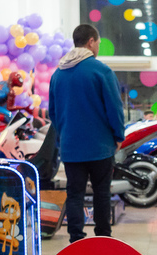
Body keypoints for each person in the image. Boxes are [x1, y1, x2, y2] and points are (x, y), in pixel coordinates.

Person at [50, 23, 126, 243]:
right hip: (100, 146)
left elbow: (53, 113)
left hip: (71, 148)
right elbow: (114, 108)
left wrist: (65, 135)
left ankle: (76, 239)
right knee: (102, 193)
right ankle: (102, 239)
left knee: (74, 194)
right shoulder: (101, 71)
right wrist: (118, 136)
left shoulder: (58, 74)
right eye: (98, 43)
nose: (98, 47)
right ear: (91, 42)